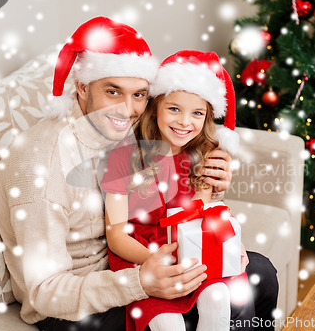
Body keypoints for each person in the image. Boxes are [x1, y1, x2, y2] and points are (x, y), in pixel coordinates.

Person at [0, 16, 278, 331]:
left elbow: (173, 186)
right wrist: (142, 281)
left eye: (139, 95)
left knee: (260, 275)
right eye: (113, 92)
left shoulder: (131, 126)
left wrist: (214, 194)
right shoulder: (42, 165)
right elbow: (43, 293)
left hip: (143, 251)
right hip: (78, 302)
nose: (128, 109)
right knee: (220, 306)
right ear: (82, 87)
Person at [100, 50, 246, 331]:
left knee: (219, 296)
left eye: (197, 113)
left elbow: (199, 216)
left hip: (189, 250)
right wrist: (157, 262)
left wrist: (226, 243)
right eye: (174, 109)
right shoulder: (123, 157)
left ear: (207, 117)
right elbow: (116, 234)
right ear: (155, 107)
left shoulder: (203, 155)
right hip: (141, 255)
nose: (184, 122)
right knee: (167, 323)